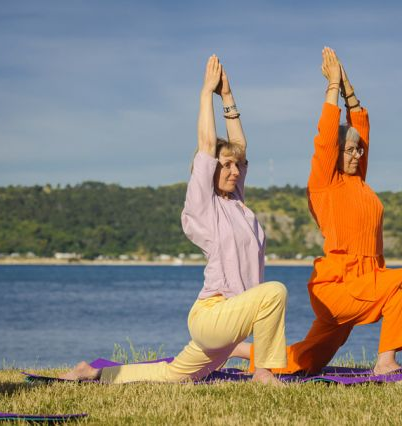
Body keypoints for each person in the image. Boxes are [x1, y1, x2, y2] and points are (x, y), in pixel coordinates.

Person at [60, 55, 287, 385]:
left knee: (173, 375)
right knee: (275, 291)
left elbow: (240, 147)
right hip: (211, 315)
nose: (235, 171)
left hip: (230, 320)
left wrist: (227, 97)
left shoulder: (237, 203)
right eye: (226, 166)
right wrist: (205, 92)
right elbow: (208, 145)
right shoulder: (202, 205)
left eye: (237, 167)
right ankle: (263, 373)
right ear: (207, 170)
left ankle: (90, 373)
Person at [233, 47, 402, 375]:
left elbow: (361, 129)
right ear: (336, 155)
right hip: (339, 286)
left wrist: (349, 88)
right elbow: (327, 139)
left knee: (308, 361)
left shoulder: (358, 182)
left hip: (366, 281)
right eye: (350, 150)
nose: (357, 155)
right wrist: (332, 88)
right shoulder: (326, 185)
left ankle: (244, 351)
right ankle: (385, 362)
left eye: (360, 150)